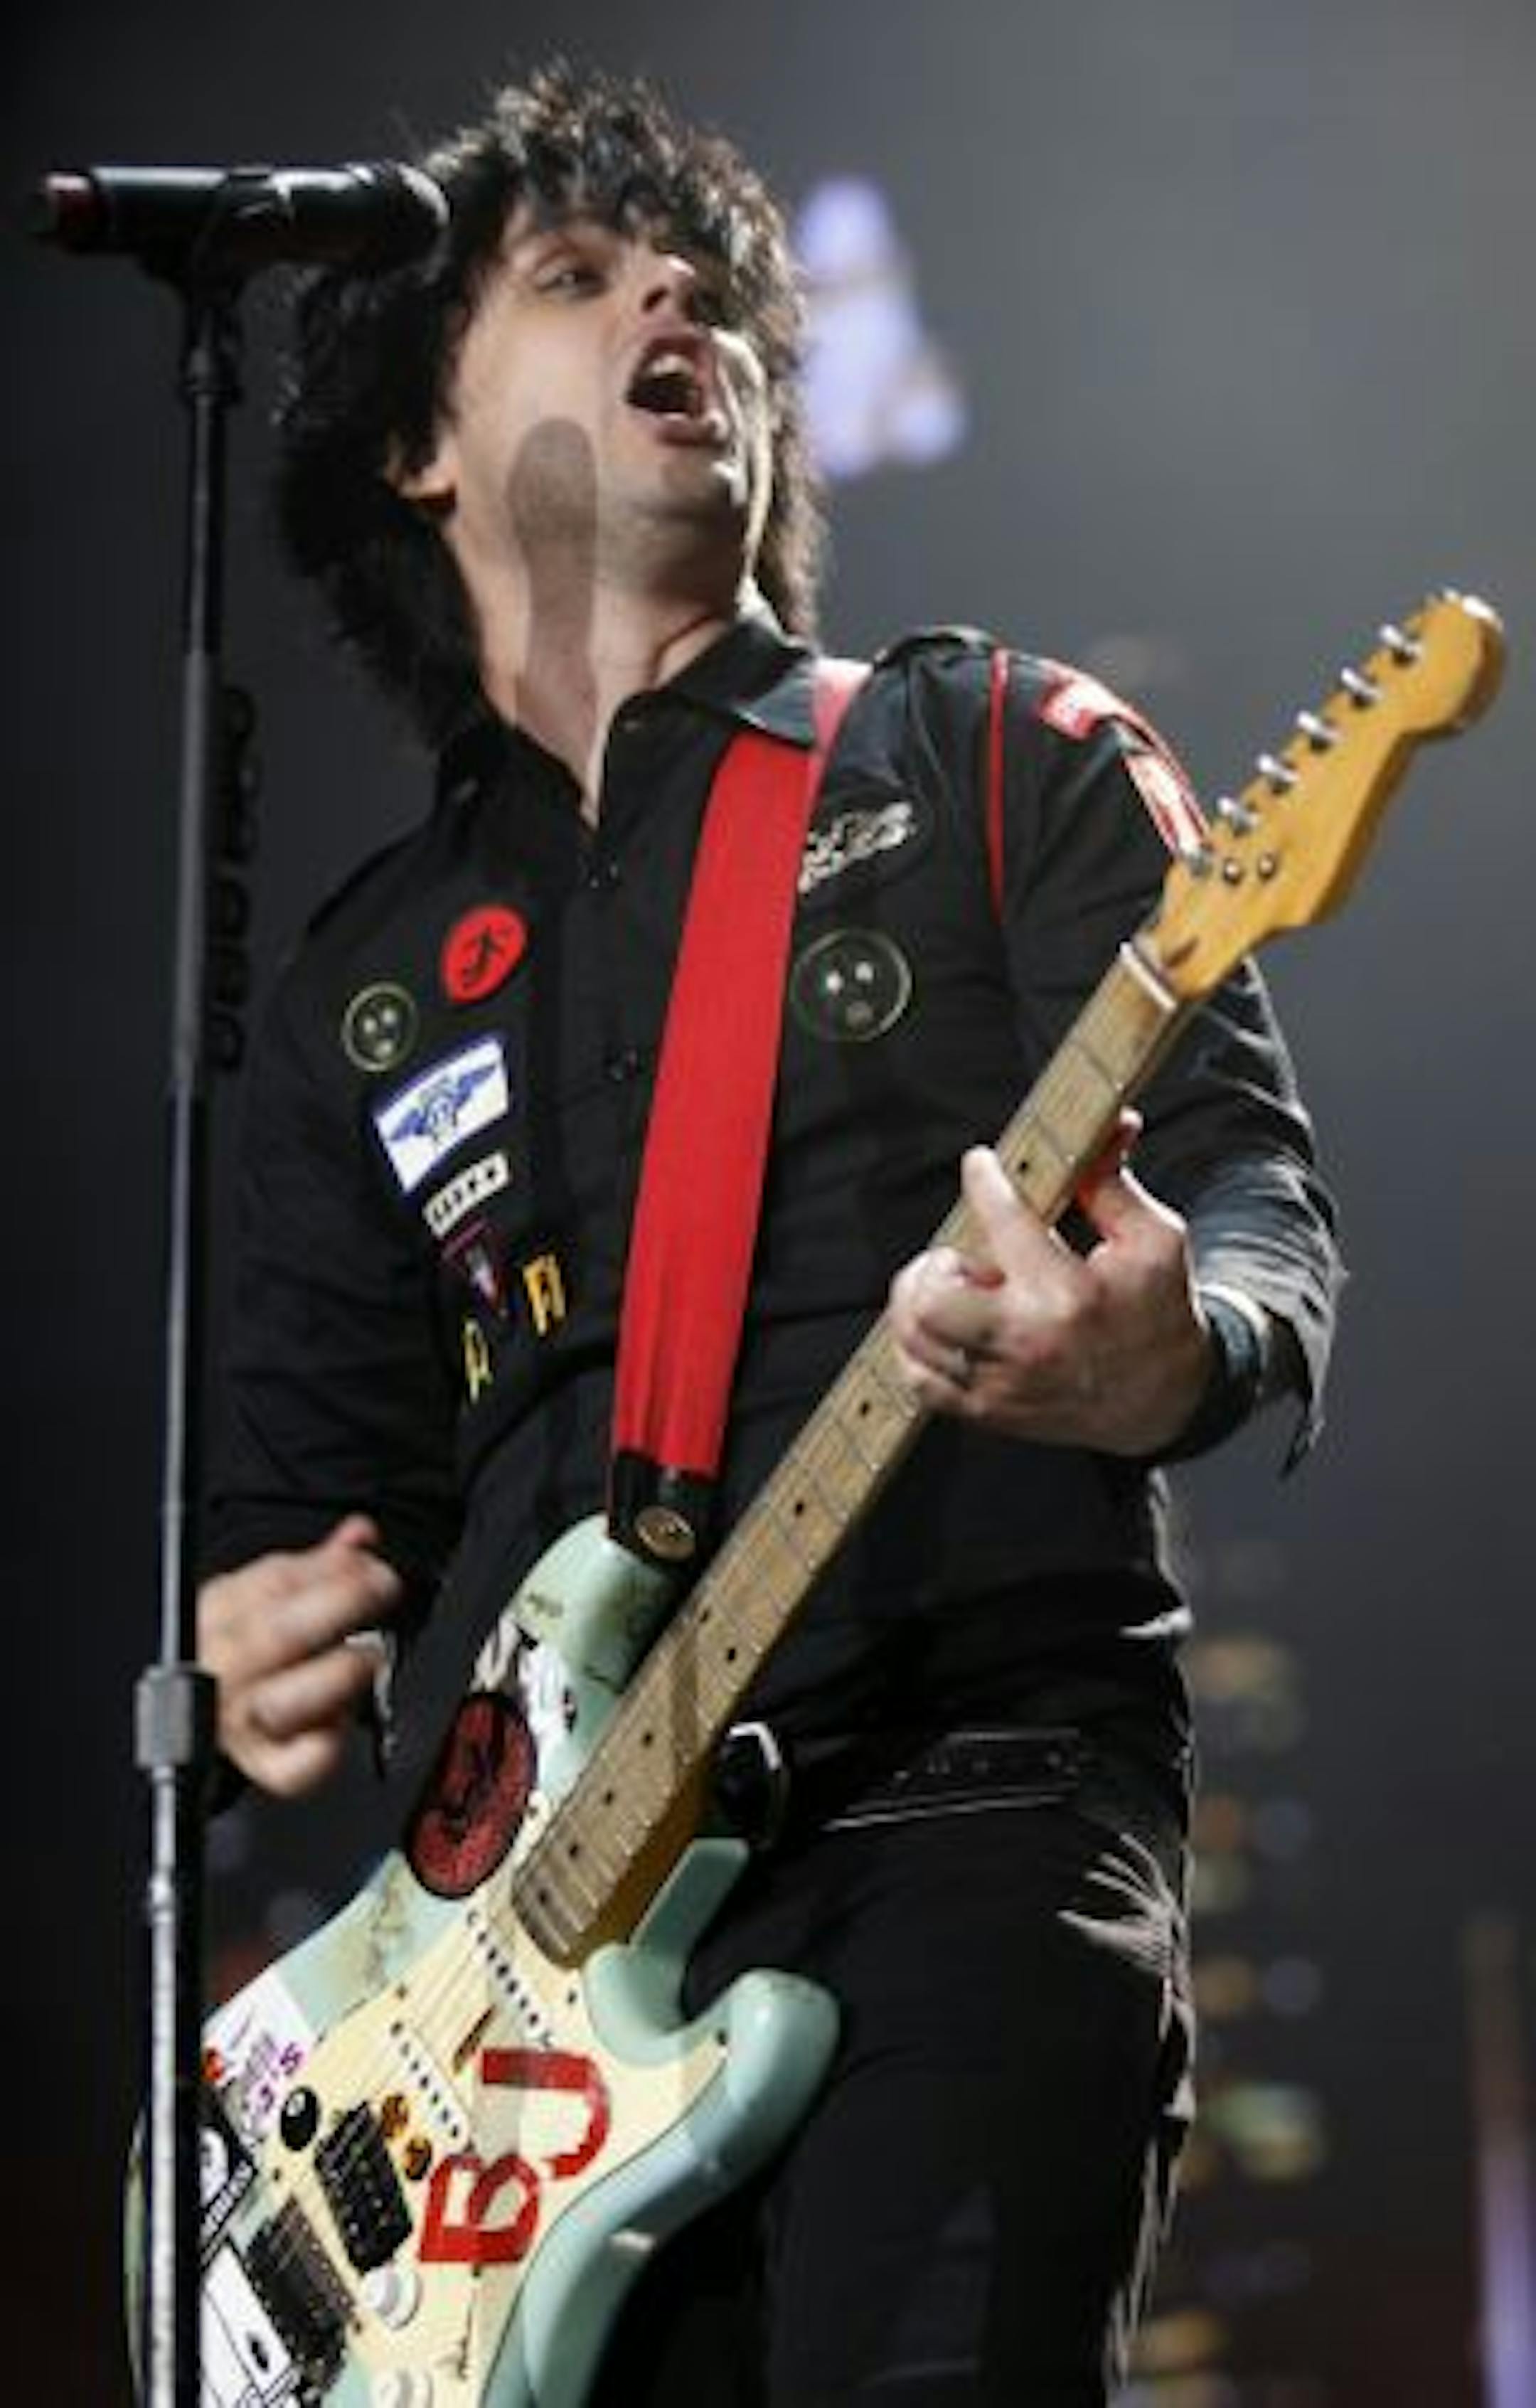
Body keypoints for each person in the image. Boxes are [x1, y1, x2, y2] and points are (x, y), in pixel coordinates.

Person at [197, 61, 1341, 2407]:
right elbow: (303, 1518)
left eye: (702, 278)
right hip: (504, 2022)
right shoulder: (366, 980)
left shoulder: (990, 756)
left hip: (971, 1811)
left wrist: (1180, 1346)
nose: (674, 299)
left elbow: (1252, 1196)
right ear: (422, 446)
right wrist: (247, 1642)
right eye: (580, 271)